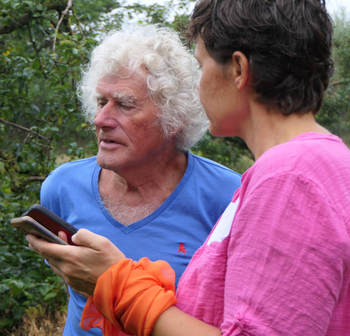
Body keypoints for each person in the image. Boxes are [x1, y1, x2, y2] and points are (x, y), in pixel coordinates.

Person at [27, 0, 350, 335]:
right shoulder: (317, 166)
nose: (197, 85)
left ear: (237, 70)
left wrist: (115, 283)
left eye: (202, 65)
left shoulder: (289, 178)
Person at [32, 25, 241, 336]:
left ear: (173, 118)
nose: (100, 119)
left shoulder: (229, 197)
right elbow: (77, 297)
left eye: (125, 104)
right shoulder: (62, 187)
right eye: (101, 101)